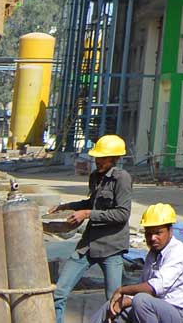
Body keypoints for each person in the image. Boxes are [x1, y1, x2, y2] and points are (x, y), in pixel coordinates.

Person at [49, 134, 132, 323]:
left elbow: (122, 214)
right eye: (97, 157)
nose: (98, 161)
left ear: (114, 158)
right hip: (87, 246)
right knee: (59, 292)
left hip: (112, 247)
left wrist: (87, 214)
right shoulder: (95, 176)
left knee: (114, 301)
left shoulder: (122, 178)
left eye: (102, 158)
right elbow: (91, 203)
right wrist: (66, 207)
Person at [107, 204, 183, 323]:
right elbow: (143, 285)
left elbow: (153, 288)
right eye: (149, 234)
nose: (153, 238)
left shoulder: (179, 253)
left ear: (170, 231)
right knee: (113, 308)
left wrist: (122, 290)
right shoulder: (153, 254)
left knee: (141, 300)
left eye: (158, 233)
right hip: (160, 310)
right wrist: (123, 301)